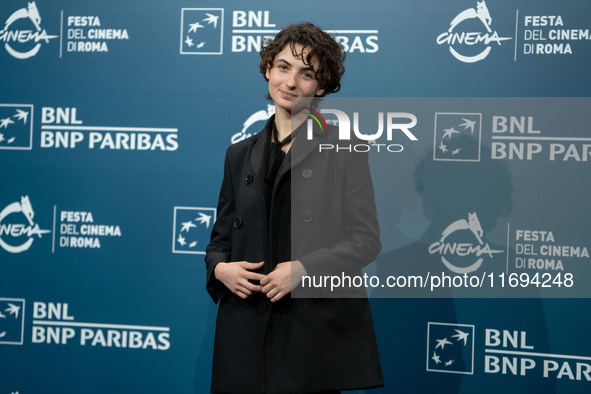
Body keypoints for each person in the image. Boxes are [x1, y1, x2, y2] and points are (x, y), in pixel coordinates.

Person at [205, 22, 383, 394]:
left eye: (306, 73)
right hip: (245, 331)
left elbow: (365, 241)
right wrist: (220, 269)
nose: (290, 81)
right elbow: (219, 242)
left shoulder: (346, 148)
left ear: (321, 86)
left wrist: (304, 269)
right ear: (268, 70)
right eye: (283, 67)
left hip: (309, 332)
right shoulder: (238, 154)